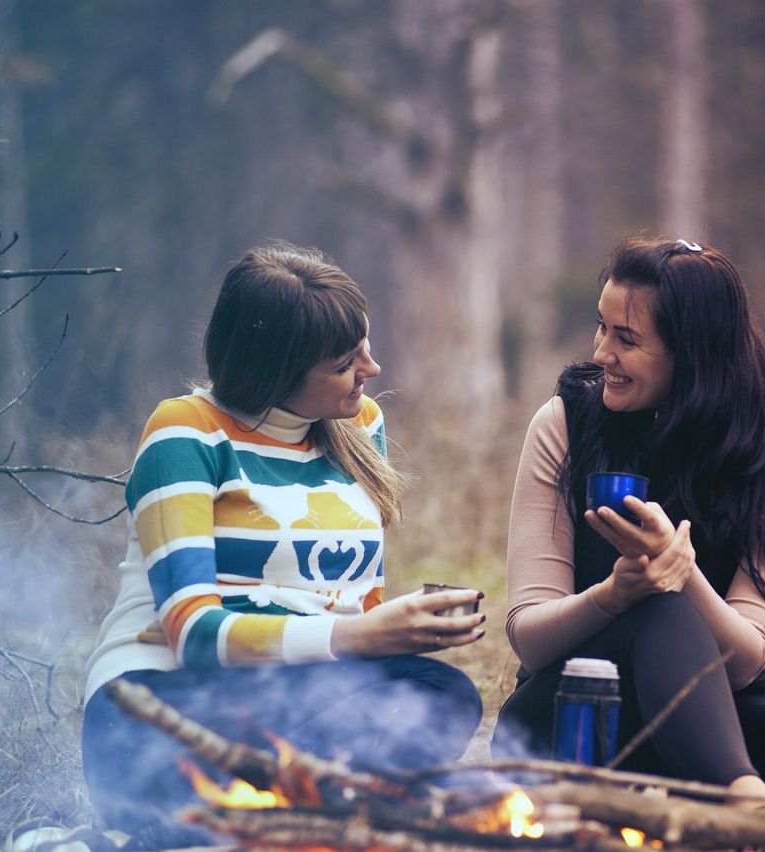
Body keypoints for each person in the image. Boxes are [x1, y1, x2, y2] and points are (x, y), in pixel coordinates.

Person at [494, 237, 765, 847]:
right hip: (570, 727)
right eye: (601, 329)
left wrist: (684, 575)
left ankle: (694, 820)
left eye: (627, 339)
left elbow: (751, 656)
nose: (602, 353)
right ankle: (751, 815)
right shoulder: (566, 425)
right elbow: (531, 636)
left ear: (693, 353)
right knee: (656, 610)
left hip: (714, 729)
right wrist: (616, 595)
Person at [82, 243, 484, 846]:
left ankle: (273, 823)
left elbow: (354, 600)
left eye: (365, 347)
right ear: (276, 369)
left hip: (297, 700)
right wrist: (357, 638)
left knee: (442, 693)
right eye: (347, 361)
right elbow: (192, 636)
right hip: (160, 709)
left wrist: (395, 632)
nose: (371, 369)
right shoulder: (186, 432)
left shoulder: (359, 424)